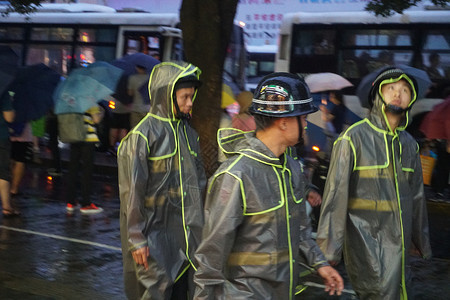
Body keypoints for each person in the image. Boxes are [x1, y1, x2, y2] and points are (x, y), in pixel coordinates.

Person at [194, 72, 344, 299]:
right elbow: (211, 254)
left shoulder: (291, 167)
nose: (306, 125)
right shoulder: (236, 175)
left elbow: (301, 231)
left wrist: (321, 264)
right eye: (303, 118)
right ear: (283, 122)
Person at [316, 67, 432, 299]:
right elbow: (335, 197)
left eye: (405, 90)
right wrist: (328, 251)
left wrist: (419, 240)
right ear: (378, 95)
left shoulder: (409, 144)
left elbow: (417, 196)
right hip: (366, 245)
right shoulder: (353, 138)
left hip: (399, 248)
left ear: (411, 100)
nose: (398, 94)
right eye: (391, 89)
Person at [117, 62, 206, 300]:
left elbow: (199, 184)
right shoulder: (141, 137)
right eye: (184, 96)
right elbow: (132, 193)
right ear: (166, 95)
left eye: (192, 96)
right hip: (154, 242)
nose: (190, 102)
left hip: (188, 241)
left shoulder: (189, 133)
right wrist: (137, 239)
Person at [66, 105, 104, 214]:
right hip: (87, 138)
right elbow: (96, 120)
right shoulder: (89, 99)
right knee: (87, 170)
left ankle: (71, 202)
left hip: (74, 135)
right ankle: (86, 203)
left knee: (73, 168)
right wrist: (101, 112)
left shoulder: (72, 98)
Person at [0, 91, 19, 217]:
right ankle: (7, 207)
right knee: (2, 171)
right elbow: (9, 117)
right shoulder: (3, 92)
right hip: (1, 136)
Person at [128, 64, 150, 129]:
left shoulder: (132, 78)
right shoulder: (150, 78)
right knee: (146, 129)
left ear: (138, 68)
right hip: (148, 109)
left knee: (135, 129)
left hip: (136, 108)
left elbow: (130, 93)